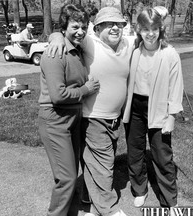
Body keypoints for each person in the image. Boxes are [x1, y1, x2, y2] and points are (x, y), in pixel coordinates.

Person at [47, 6, 135, 216]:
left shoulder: (127, 44)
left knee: (98, 165)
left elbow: (149, 33)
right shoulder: (89, 42)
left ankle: (92, 207)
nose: (115, 28)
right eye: (109, 24)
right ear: (97, 28)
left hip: (114, 119)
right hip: (93, 117)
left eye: (119, 24)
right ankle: (109, 209)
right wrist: (56, 37)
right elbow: (66, 32)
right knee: (104, 166)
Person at [38, 4, 100, 216]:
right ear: (64, 27)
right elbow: (58, 95)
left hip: (72, 119)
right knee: (65, 178)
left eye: (84, 26)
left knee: (72, 174)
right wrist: (86, 89)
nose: (81, 31)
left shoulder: (78, 50)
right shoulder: (55, 53)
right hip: (55, 119)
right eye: (75, 26)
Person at [122, 8, 184, 209]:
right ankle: (139, 189)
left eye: (155, 28)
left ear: (161, 29)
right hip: (135, 108)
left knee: (162, 155)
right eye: (145, 29)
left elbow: (176, 88)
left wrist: (172, 117)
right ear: (138, 29)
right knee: (135, 152)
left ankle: (169, 200)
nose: (150, 33)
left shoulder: (170, 54)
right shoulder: (134, 51)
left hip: (159, 108)